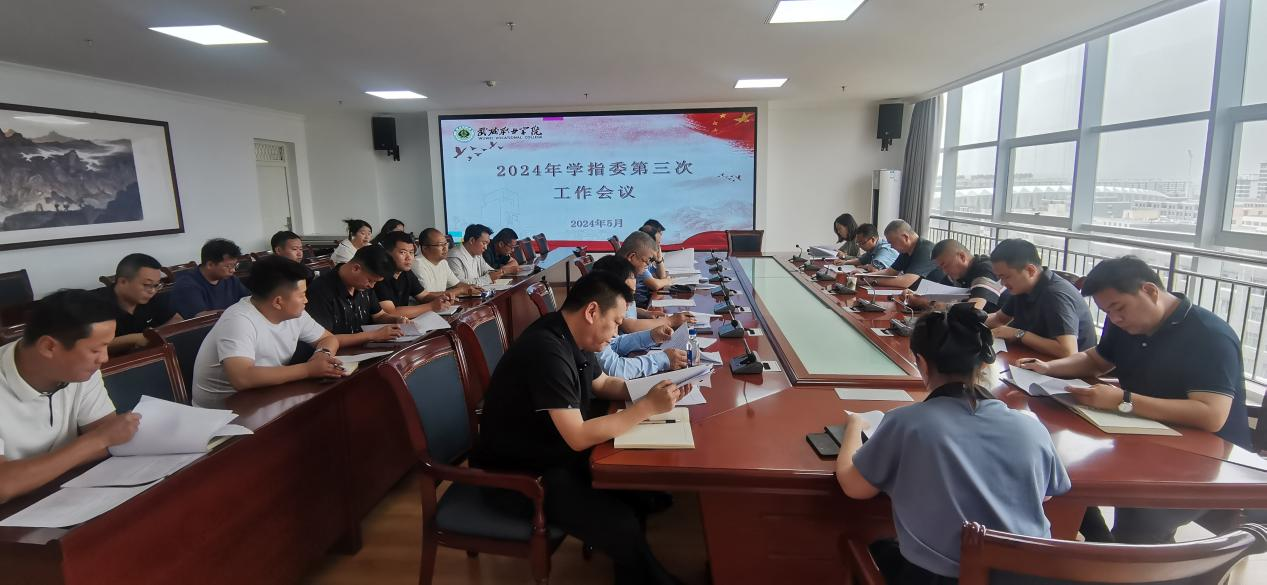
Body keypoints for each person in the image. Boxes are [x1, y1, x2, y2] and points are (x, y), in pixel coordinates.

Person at [1016, 256, 1251, 544]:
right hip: (1141, 436)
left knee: (1139, 520)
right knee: (1063, 476)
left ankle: (1132, 558)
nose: (1115, 319)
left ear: (1149, 291)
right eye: (1107, 312)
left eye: (1119, 308)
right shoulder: (1127, 323)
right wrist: (1048, 367)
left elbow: (1211, 415)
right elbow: (1097, 360)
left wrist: (1123, 400)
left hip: (1203, 458)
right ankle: (1100, 547)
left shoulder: (1208, 335)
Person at [474, 271, 687, 585]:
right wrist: (645, 408)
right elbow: (577, 437)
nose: (616, 333)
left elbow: (602, 383)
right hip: (518, 475)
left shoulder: (576, 335)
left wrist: (652, 391)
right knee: (621, 521)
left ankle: (631, 571)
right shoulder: (546, 350)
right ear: (592, 312)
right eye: (616, 322)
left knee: (641, 493)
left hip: (550, 451)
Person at [835, 304, 1070, 584]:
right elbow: (1047, 494)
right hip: (1029, 576)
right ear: (984, 363)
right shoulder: (1030, 426)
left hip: (942, 578)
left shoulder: (907, 423)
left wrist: (855, 426)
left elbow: (854, 486)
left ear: (922, 363)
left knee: (879, 550)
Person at [0, 290, 141, 503]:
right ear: (49, 347)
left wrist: (31, 474)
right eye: (95, 350)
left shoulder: (80, 371)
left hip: (61, 495)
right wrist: (96, 440)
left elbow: (112, 438)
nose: (104, 358)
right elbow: (4, 485)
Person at [191, 256, 345, 408]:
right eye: (302, 295)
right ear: (278, 302)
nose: (306, 300)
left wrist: (322, 354)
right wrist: (308, 370)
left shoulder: (293, 312)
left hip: (265, 396)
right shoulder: (238, 320)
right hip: (224, 413)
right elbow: (242, 378)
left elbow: (328, 339)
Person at [985, 239, 1096, 357]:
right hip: (1035, 356)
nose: (1002, 283)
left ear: (1030, 270)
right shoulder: (1022, 287)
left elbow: (1068, 351)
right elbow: (999, 318)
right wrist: (973, 319)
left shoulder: (1055, 295)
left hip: (1069, 365)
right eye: (1000, 277)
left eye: (1006, 277)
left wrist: (1018, 334)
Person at [589, 255, 687, 378]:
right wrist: (663, 360)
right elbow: (615, 369)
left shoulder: (601, 317)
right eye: (626, 296)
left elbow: (614, 344)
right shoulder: (592, 323)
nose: (629, 305)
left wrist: (651, 336)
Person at [305, 245, 407, 347]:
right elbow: (324, 339)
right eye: (370, 280)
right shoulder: (320, 290)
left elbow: (379, 316)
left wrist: (396, 320)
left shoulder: (363, 287)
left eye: (375, 282)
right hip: (338, 353)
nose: (371, 286)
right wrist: (374, 335)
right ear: (356, 268)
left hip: (365, 349)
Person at [97, 253, 182, 354]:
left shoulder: (152, 297)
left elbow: (177, 320)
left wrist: (151, 335)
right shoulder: (96, 303)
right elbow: (92, 346)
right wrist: (134, 339)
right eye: (147, 284)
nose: (153, 291)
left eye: (156, 285)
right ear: (123, 282)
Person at [899, 239, 1005, 313]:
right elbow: (935, 296)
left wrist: (929, 303)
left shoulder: (985, 269)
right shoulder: (955, 274)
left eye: (946, 265)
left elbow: (974, 309)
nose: (945, 271)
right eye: (941, 267)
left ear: (962, 257)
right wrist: (916, 295)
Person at [372, 231, 454, 319]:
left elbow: (424, 296)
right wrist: (431, 306)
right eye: (403, 252)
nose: (409, 258)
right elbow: (391, 312)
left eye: (411, 252)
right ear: (387, 254)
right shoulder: (379, 276)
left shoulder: (406, 272)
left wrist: (442, 298)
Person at [170, 238, 251, 319]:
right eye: (228, 266)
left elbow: (248, 300)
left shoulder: (231, 279)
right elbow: (200, 317)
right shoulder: (187, 285)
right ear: (210, 265)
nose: (233, 270)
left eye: (235, 265)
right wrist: (237, 312)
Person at [859, 220, 945, 288]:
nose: (891, 246)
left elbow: (905, 281)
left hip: (934, 299)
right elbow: (890, 272)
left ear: (905, 237)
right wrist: (863, 276)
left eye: (892, 242)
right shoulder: (906, 250)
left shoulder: (925, 250)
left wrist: (871, 281)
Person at [412, 228, 483, 300]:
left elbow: (457, 284)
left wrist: (471, 287)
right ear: (425, 248)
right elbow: (426, 296)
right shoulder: (417, 264)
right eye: (440, 245)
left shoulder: (443, 262)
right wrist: (461, 290)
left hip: (441, 305)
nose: (445, 248)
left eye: (446, 244)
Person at [447, 224, 517, 285]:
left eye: (487, 244)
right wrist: (488, 278)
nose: (486, 248)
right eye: (484, 243)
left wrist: (498, 273)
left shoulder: (477, 254)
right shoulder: (454, 257)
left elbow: (488, 270)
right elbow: (459, 284)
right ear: (472, 240)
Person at [617, 230, 669, 307]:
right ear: (632, 257)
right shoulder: (621, 279)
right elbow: (623, 313)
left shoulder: (628, 273)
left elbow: (628, 309)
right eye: (647, 260)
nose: (648, 264)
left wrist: (646, 312)